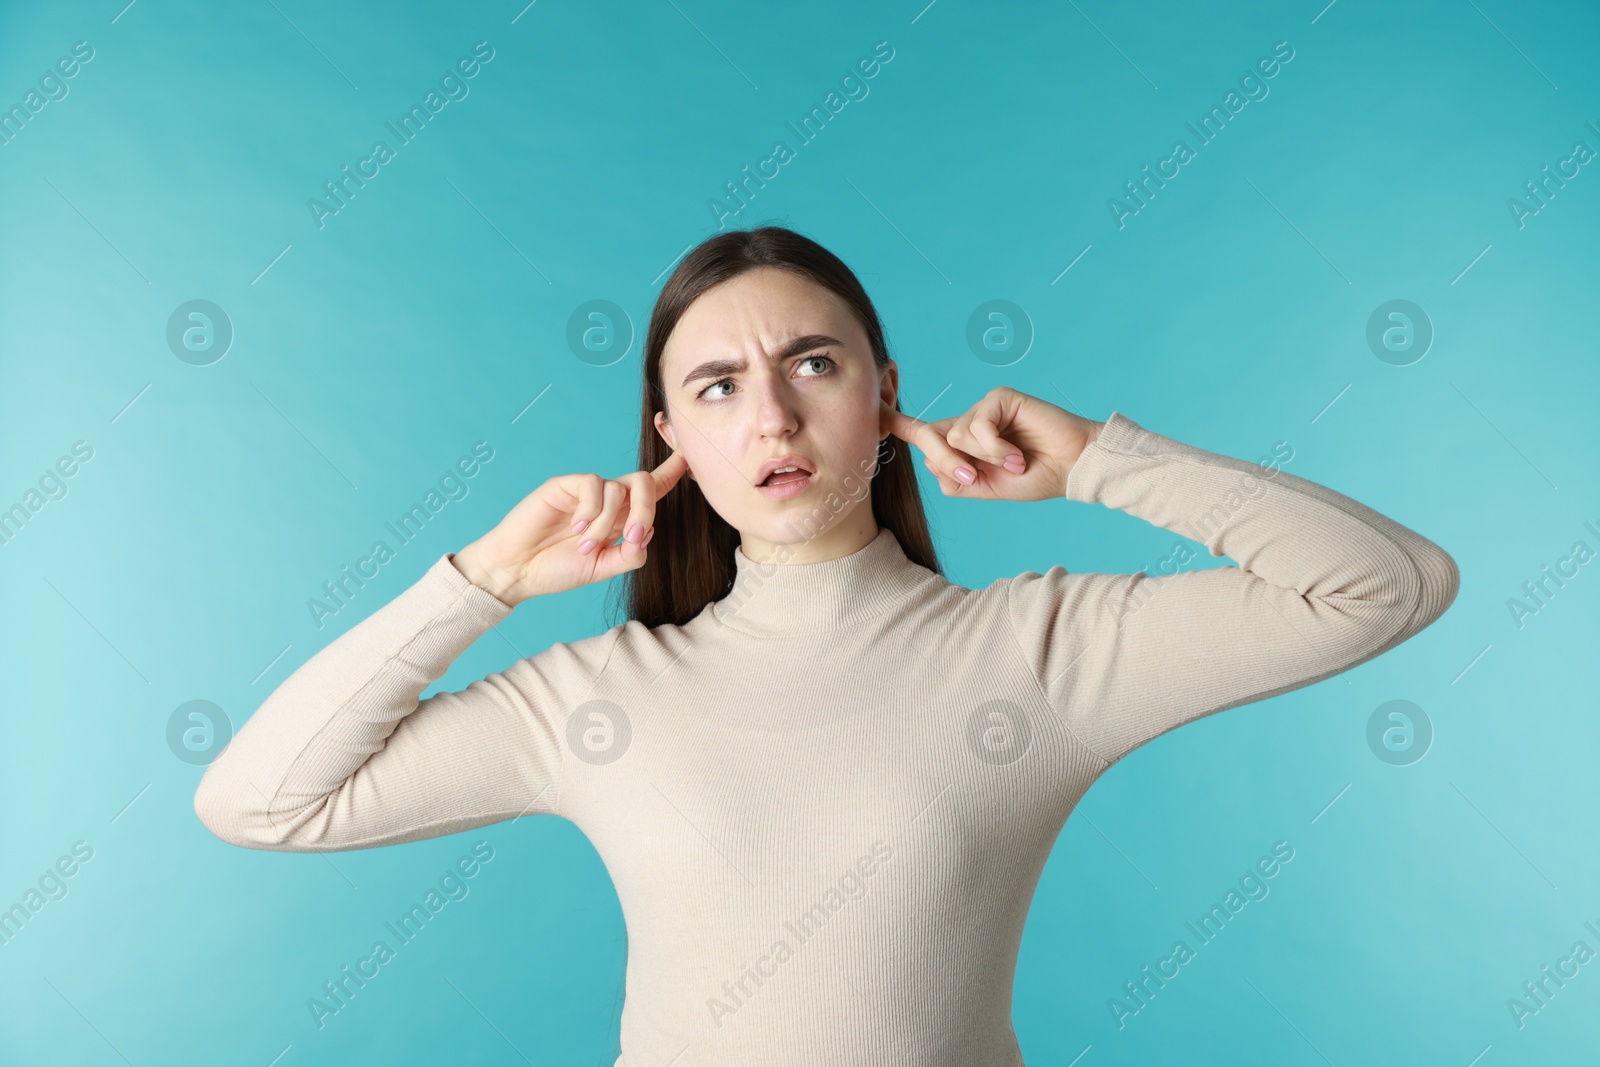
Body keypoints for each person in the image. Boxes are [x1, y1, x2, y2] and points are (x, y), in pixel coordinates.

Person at [194, 226, 1459, 1065]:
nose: (775, 415)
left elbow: (1387, 586)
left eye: (811, 362)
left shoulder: (1041, 651)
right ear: (669, 435)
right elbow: (261, 802)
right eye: (718, 385)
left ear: (884, 392)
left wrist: (1096, 464)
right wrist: (480, 581)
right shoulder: (600, 697)